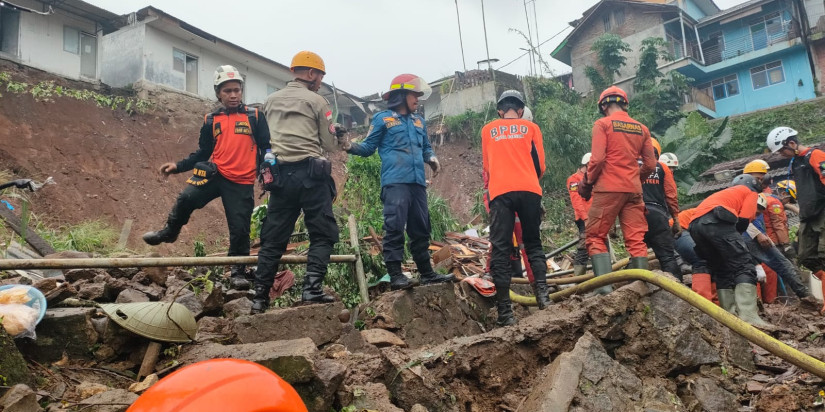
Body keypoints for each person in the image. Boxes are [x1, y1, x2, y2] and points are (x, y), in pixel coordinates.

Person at [143, 65, 270, 291]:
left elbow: (265, 147)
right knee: (186, 198)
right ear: (218, 93)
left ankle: (237, 272)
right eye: (227, 91)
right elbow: (202, 152)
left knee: (239, 229)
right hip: (215, 173)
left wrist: (266, 172)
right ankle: (169, 232)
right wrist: (178, 166)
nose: (233, 95)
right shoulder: (211, 120)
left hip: (241, 182)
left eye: (237, 90)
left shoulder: (255, 116)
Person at [251, 51, 345, 313]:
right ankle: (312, 290)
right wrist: (339, 137)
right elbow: (329, 144)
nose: (319, 83)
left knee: (272, 239)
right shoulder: (317, 101)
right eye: (319, 78)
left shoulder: (270, 100)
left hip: (279, 177)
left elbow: (265, 139)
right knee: (323, 233)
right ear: (312, 74)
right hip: (311, 176)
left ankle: (259, 299)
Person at [344, 74, 453, 291]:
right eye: (415, 94)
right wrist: (348, 146)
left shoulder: (419, 121)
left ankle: (427, 274)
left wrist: (432, 158)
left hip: (417, 183)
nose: (418, 99)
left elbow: (425, 148)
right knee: (394, 228)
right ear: (402, 95)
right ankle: (395, 275)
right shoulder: (383, 119)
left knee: (421, 228)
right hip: (395, 183)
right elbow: (367, 148)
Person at [479, 89, 549, 326]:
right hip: (529, 190)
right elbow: (540, 166)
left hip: (500, 193)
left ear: (500, 111)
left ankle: (505, 313)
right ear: (520, 111)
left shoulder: (488, 130)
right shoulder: (532, 128)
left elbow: (487, 167)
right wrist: (527, 177)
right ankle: (544, 299)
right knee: (533, 243)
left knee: (500, 249)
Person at [579, 86, 656, 294]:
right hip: (633, 191)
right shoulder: (642, 129)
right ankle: (642, 286)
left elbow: (597, 159)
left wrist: (586, 184)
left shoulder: (602, 124)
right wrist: (633, 180)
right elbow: (650, 164)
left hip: (608, 190)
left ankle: (604, 291)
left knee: (595, 236)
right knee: (635, 238)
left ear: (604, 105)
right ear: (624, 103)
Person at [689, 174, 772, 328]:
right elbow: (744, 219)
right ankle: (749, 317)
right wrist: (738, 241)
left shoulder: (725, 194)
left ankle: (729, 315)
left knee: (722, 268)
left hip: (695, 226)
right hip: (716, 222)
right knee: (744, 265)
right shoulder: (750, 192)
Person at [767, 126, 825, 313]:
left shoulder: (816, 156)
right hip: (808, 216)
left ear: (792, 143)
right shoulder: (794, 162)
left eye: (782, 150)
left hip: (823, 212)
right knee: (806, 257)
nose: (781, 155)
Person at [740, 161, 815, 305]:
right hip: (770, 241)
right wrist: (786, 244)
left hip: (760, 238)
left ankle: (780, 302)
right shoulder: (771, 201)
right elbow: (778, 224)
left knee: (772, 273)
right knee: (785, 270)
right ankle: (794, 301)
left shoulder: (762, 196)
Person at [642, 138, 682, 279]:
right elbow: (671, 195)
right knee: (667, 257)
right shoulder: (662, 167)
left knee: (637, 254)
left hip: (634, 216)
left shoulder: (628, 166)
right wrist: (675, 219)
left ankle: (634, 289)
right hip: (658, 215)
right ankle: (677, 290)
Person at [566, 153, 592, 276]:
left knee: (601, 245)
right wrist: (585, 218)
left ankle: (604, 277)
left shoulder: (594, 177)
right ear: (586, 164)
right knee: (584, 246)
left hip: (596, 216)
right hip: (584, 218)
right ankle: (578, 279)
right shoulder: (574, 179)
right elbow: (576, 200)